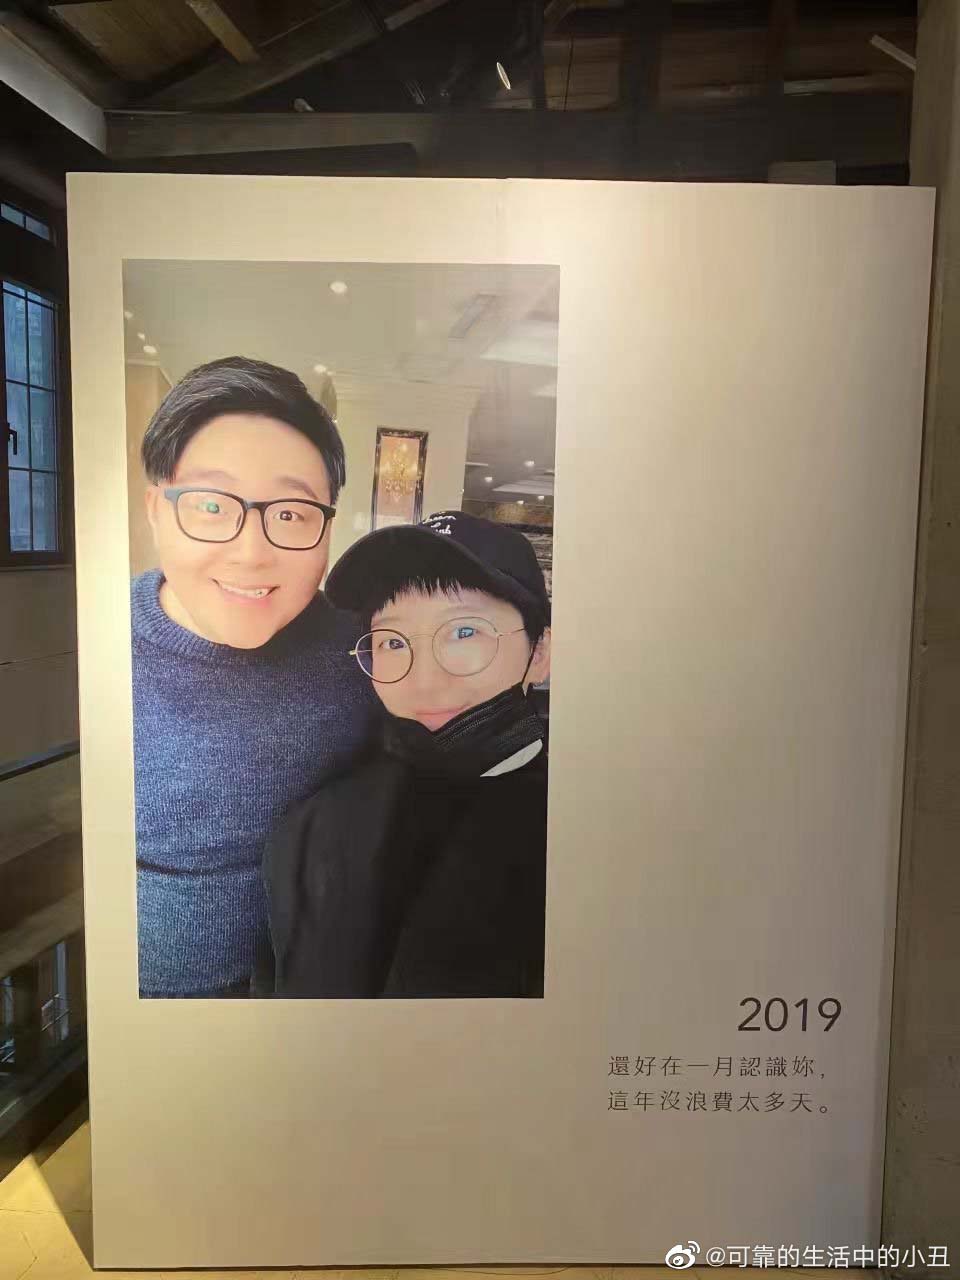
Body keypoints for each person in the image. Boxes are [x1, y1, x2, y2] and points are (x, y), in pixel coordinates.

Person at [133, 356, 378, 998]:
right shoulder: (99, 649)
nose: (251, 552)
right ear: (156, 508)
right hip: (151, 1012)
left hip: (320, 999)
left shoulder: (368, 651)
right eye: (213, 506)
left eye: (292, 514)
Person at [264, 510, 552, 999]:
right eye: (393, 641)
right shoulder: (312, 830)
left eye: (464, 632)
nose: (424, 680)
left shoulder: (602, 846)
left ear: (539, 652)